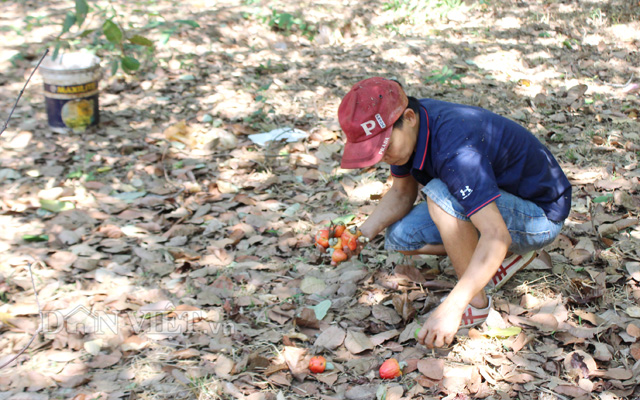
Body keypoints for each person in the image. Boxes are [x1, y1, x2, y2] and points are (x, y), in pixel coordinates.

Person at [334, 77, 571, 349]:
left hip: (539, 216)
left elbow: (496, 235)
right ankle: (491, 262)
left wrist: (452, 307)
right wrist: (360, 235)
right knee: (402, 237)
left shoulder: (456, 150)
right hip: (495, 205)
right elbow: (401, 193)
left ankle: (478, 303)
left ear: (408, 117)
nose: (382, 157)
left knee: (440, 195)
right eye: (375, 153)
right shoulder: (414, 129)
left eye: (385, 147)